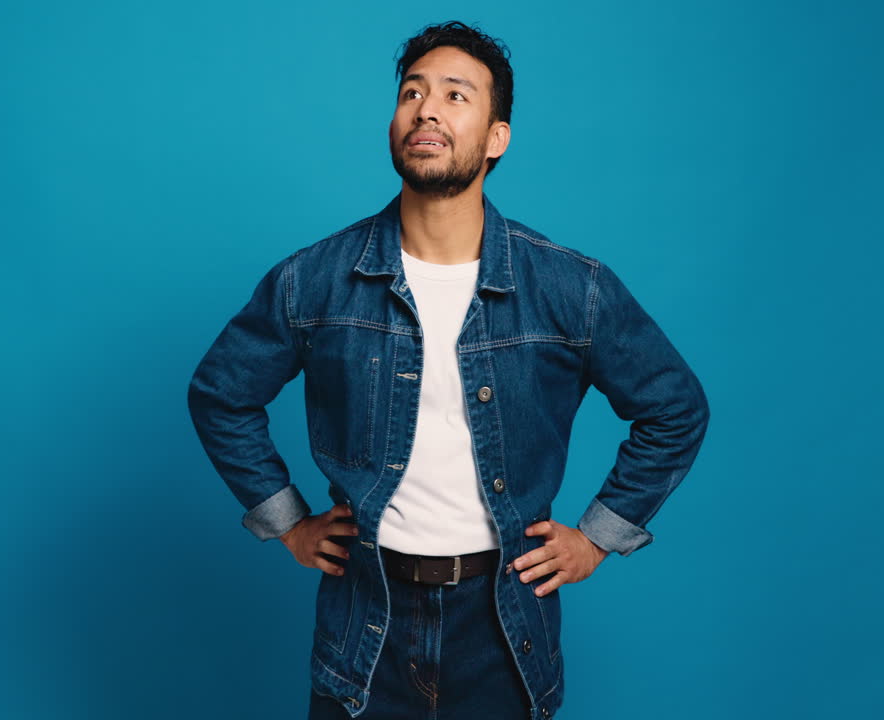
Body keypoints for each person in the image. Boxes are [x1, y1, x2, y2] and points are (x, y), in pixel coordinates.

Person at [187, 20, 710, 719]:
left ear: (497, 138)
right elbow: (221, 394)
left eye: (456, 96)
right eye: (412, 92)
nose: (426, 109)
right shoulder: (314, 280)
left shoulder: (567, 286)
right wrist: (289, 524)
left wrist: (598, 539)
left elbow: (675, 408)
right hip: (365, 624)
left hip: (502, 629)